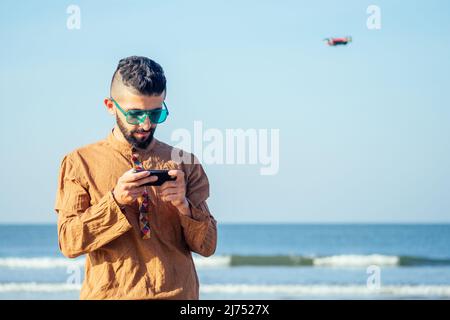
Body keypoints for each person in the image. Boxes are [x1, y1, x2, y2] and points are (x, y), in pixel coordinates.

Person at [54, 56, 217, 300]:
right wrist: (115, 201)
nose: (146, 123)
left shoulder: (185, 162)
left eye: (155, 113)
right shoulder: (80, 163)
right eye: (135, 114)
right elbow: (69, 242)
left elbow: (207, 246)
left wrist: (185, 207)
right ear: (110, 107)